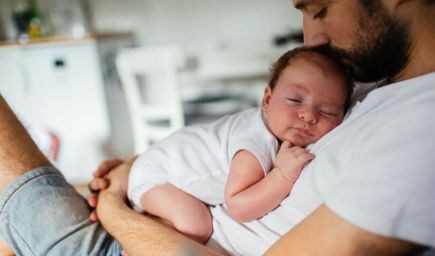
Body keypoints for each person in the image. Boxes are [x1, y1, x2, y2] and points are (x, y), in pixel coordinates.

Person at [0, 0, 434, 255]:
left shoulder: (421, 128)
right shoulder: (371, 85)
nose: (311, 37)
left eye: (320, 8)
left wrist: (113, 206)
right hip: (166, 221)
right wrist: (139, 168)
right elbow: (236, 139)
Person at [126, 47, 352, 245]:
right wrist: (283, 175)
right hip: (156, 175)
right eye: (294, 100)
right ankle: (137, 239)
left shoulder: (276, 129)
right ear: (267, 100)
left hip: (163, 162)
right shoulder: (256, 142)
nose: (309, 115)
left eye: (328, 111)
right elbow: (239, 207)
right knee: (197, 225)